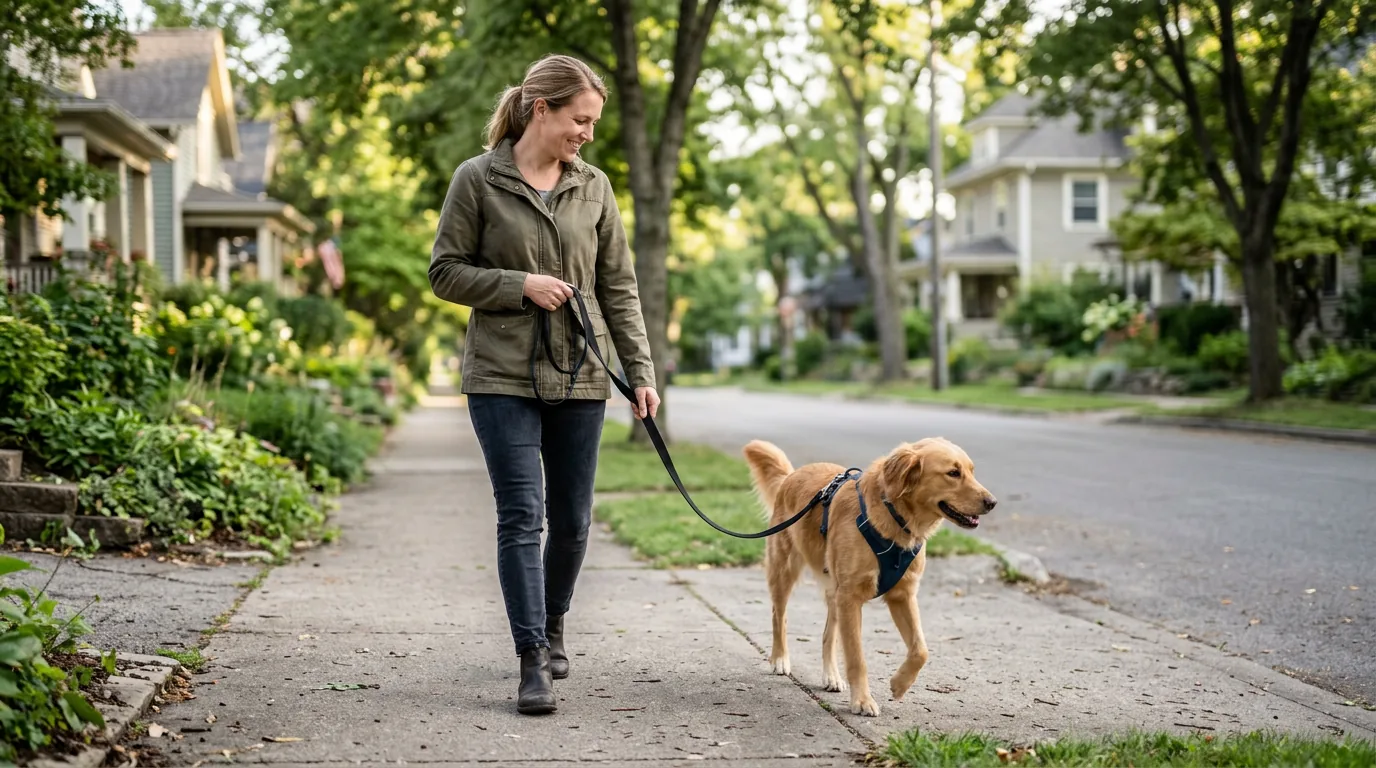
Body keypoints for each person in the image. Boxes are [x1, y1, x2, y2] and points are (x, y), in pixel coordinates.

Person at [428, 54, 660, 716]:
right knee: (522, 515)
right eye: (579, 120)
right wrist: (517, 285)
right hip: (500, 375)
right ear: (541, 110)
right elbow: (444, 271)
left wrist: (640, 374)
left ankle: (555, 623)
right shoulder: (477, 179)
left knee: (575, 522)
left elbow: (619, 286)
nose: (587, 133)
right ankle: (531, 656)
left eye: (592, 122)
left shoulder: (595, 187)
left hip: (582, 374)